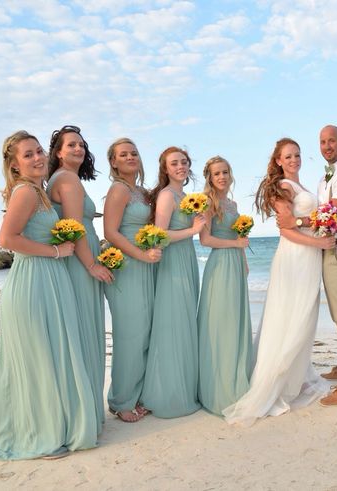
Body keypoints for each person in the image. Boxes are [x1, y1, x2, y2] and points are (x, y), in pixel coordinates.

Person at [0, 130, 98, 460]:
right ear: (14, 166)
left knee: (49, 358)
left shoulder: (38, 192)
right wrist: (55, 252)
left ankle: (54, 428)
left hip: (49, 279)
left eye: (38, 151)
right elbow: (7, 239)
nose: (37, 158)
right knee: (37, 359)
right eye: (28, 155)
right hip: (32, 283)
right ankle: (39, 437)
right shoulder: (24, 192)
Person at [223, 138, 334, 426]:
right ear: (278, 161)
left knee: (304, 315)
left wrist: (317, 226)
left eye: (297, 154)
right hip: (295, 257)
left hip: (309, 256)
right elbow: (286, 229)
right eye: (288, 156)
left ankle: (297, 375)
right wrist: (317, 234)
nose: (295, 159)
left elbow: (298, 221)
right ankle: (275, 382)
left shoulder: (302, 187)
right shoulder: (282, 187)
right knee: (292, 316)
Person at [278, 125, 337, 406]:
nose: (327, 146)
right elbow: (319, 213)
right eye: (323, 142)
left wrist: (298, 222)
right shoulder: (324, 177)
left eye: (332, 141)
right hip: (324, 251)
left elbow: (334, 211)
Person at [46, 125, 113, 430]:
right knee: (85, 333)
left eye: (81, 145)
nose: (78, 149)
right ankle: (84, 416)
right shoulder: (68, 180)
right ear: (58, 152)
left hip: (74, 261)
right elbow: (75, 229)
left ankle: (82, 411)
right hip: (78, 263)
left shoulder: (60, 179)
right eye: (70, 145)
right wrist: (92, 266)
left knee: (79, 334)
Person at [141, 146, 204, 418]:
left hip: (187, 258)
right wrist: (192, 230)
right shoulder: (167, 196)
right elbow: (159, 234)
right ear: (165, 169)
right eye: (174, 163)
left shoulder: (186, 196)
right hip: (172, 263)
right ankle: (169, 394)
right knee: (173, 322)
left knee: (185, 320)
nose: (180, 166)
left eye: (184, 162)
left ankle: (185, 387)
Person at [103, 138, 161, 423]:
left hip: (145, 266)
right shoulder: (118, 190)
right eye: (123, 154)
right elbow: (111, 232)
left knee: (144, 332)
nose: (130, 157)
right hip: (127, 265)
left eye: (134, 153)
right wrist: (141, 255)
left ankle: (136, 395)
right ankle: (120, 400)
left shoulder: (141, 191)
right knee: (130, 334)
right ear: (113, 162)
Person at [197, 156, 253, 416]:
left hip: (235, 265)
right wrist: (235, 247)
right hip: (219, 266)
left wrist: (243, 260)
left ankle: (237, 377)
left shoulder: (232, 203)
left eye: (225, 172)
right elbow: (205, 239)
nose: (222, 177)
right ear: (209, 177)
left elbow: (239, 236)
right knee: (221, 323)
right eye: (216, 173)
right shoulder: (208, 203)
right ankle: (217, 389)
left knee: (236, 322)